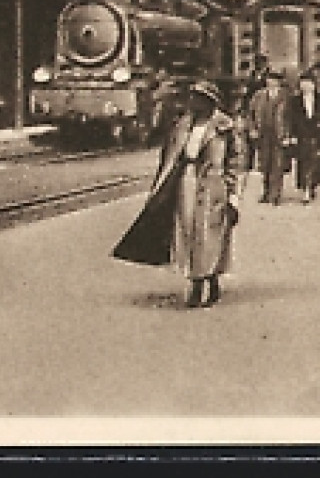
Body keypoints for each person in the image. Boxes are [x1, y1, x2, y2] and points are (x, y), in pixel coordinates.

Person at [112, 81, 244, 309]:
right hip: (187, 181)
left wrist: (234, 198)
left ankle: (208, 281)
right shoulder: (183, 125)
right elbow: (169, 157)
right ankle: (195, 281)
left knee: (210, 234)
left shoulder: (225, 127)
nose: (194, 103)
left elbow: (237, 164)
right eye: (193, 98)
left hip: (214, 186)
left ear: (211, 102)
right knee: (187, 232)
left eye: (199, 99)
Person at [244, 69, 293, 205]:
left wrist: (289, 135)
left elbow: (291, 118)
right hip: (263, 134)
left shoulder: (286, 97)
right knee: (265, 164)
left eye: (274, 80)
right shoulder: (258, 96)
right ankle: (266, 192)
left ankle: (275, 195)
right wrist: (252, 129)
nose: (271, 82)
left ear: (279, 82)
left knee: (278, 165)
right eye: (269, 79)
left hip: (279, 134)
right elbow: (250, 114)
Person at [288, 67, 320, 204]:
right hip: (302, 135)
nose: (306, 86)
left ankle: (312, 186)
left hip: (318, 134)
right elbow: (291, 118)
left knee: (317, 161)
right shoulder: (295, 101)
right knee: (303, 162)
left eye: (309, 83)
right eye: (303, 84)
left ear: (314, 85)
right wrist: (292, 135)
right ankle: (305, 189)